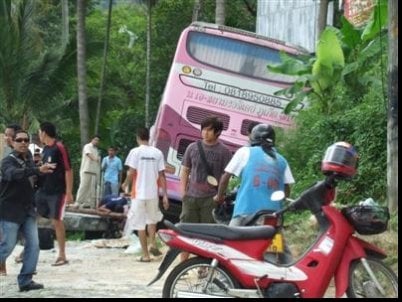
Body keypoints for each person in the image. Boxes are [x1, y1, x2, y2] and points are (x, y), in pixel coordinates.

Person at [213, 123, 295, 263]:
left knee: (227, 247)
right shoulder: (282, 160)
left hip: (245, 212)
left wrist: (219, 197)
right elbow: (286, 190)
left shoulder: (245, 152)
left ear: (253, 138)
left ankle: (223, 276)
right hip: (272, 217)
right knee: (270, 254)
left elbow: (225, 178)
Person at [0, 129, 55, 291]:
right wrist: (37, 170)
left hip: (28, 210)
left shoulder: (30, 160)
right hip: (10, 210)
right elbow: (13, 175)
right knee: (7, 246)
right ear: (13, 142)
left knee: (33, 245)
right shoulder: (7, 161)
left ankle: (25, 280)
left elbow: (35, 181)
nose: (23, 143)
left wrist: (45, 171)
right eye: (19, 140)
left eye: (26, 140)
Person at [179, 116, 232, 262]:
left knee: (207, 236)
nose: (205, 133)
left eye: (209, 130)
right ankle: (182, 266)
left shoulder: (224, 152)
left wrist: (220, 196)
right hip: (191, 197)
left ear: (218, 132)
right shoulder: (192, 147)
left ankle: (203, 267)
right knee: (185, 232)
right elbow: (185, 170)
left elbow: (225, 176)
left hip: (211, 199)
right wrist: (183, 192)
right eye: (204, 129)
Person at [122, 127, 169, 262]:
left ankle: (145, 255)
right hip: (153, 194)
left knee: (140, 224)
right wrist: (165, 195)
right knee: (151, 220)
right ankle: (153, 243)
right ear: (149, 137)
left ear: (138, 138)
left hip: (138, 194)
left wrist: (125, 184)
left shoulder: (135, 152)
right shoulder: (157, 153)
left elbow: (131, 172)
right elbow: (162, 175)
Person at [35, 122, 74, 267]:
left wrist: (69, 192)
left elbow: (68, 170)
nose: (39, 135)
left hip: (57, 191)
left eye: (39, 132)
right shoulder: (45, 149)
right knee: (32, 216)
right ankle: (28, 249)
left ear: (44, 132)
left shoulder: (59, 147)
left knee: (57, 220)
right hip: (43, 190)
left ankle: (62, 254)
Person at [1, 123, 22, 275]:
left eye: (10, 135)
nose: (6, 137)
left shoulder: (20, 154)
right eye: (5, 134)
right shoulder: (3, 149)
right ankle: (2, 266)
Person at [75, 135, 101, 209]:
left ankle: (87, 203)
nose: (96, 141)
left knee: (91, 188)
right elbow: (88, 154)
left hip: (94, 171)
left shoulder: (96, 149)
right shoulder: (87, 146)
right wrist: (95, 159)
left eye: (98, 140)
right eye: (95, 139)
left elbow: (98, 161)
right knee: (83, 186)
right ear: (92, 139)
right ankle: (78, 202)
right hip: (86, 169)